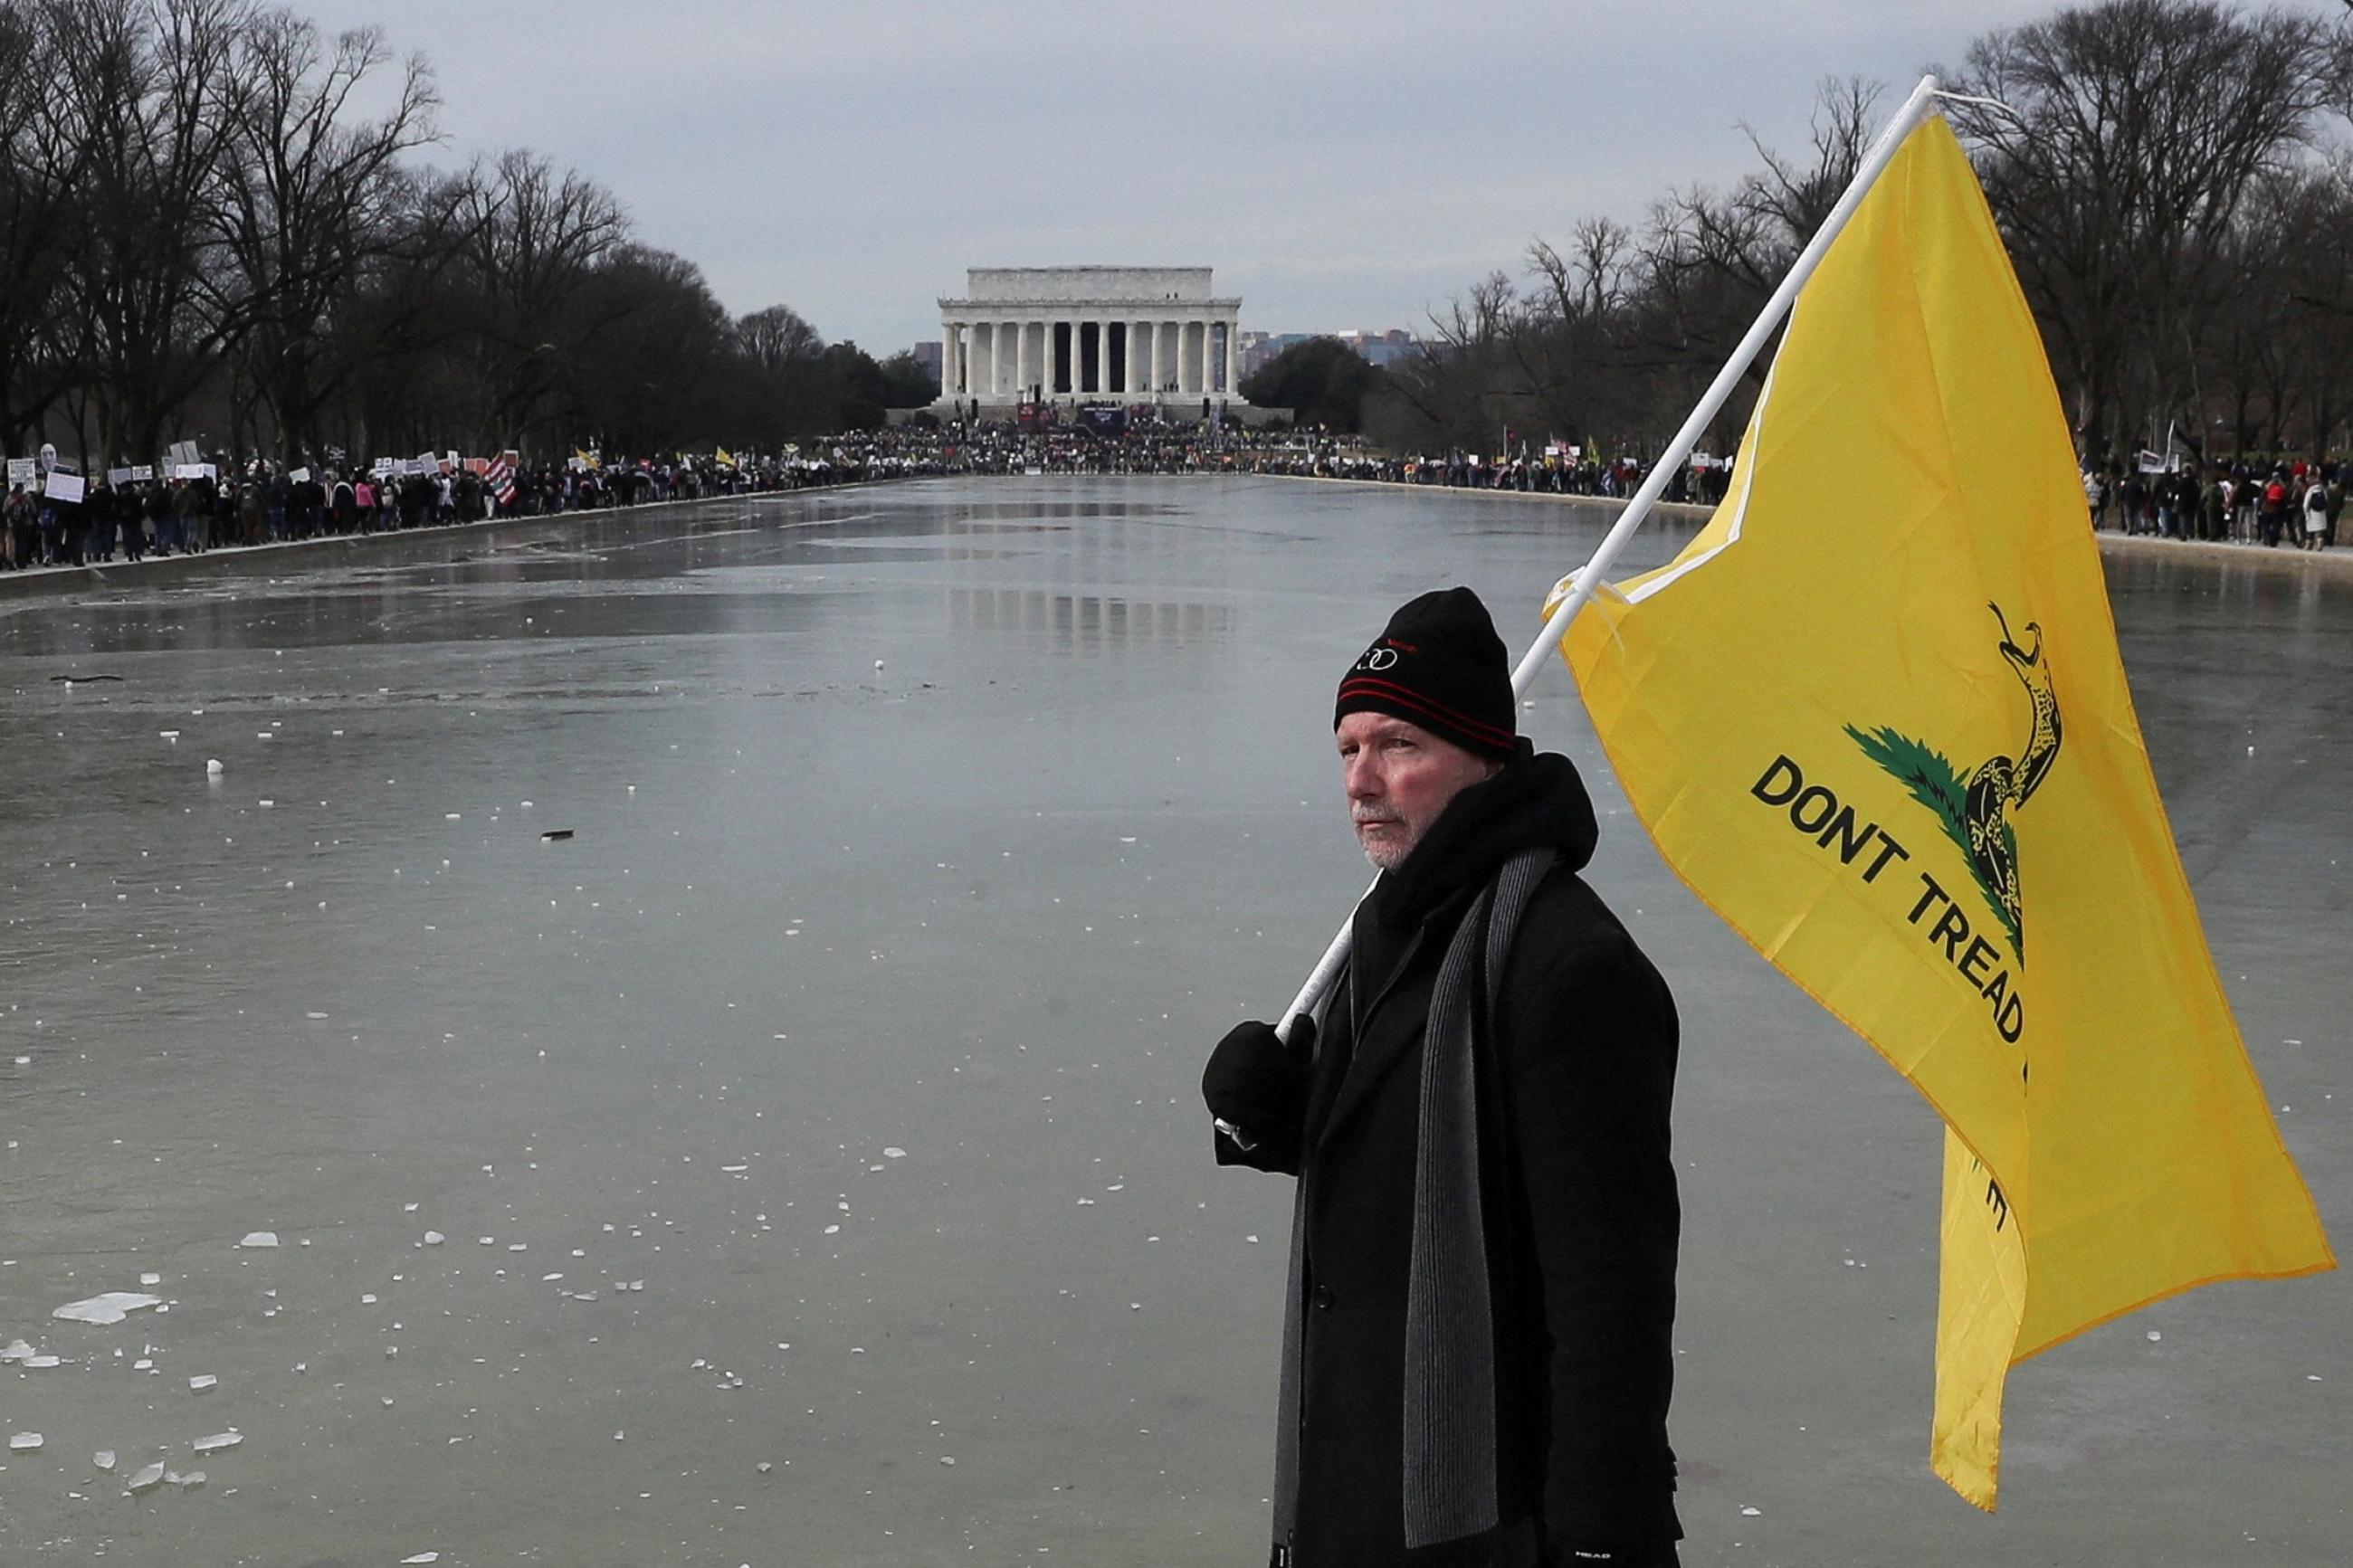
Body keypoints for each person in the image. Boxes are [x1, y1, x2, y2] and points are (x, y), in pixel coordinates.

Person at [1202, 586, 1682, 1568]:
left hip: (1490, 1509)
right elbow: (1414, 1148)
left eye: (1397, 746)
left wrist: (1599, 1531)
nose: (1360, 779)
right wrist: (1274, 1117)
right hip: (1360, 1477)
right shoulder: (1393, 923)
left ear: (1479, 756)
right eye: (1347, 749)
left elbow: (1609, 1283)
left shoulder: (1565, 963)